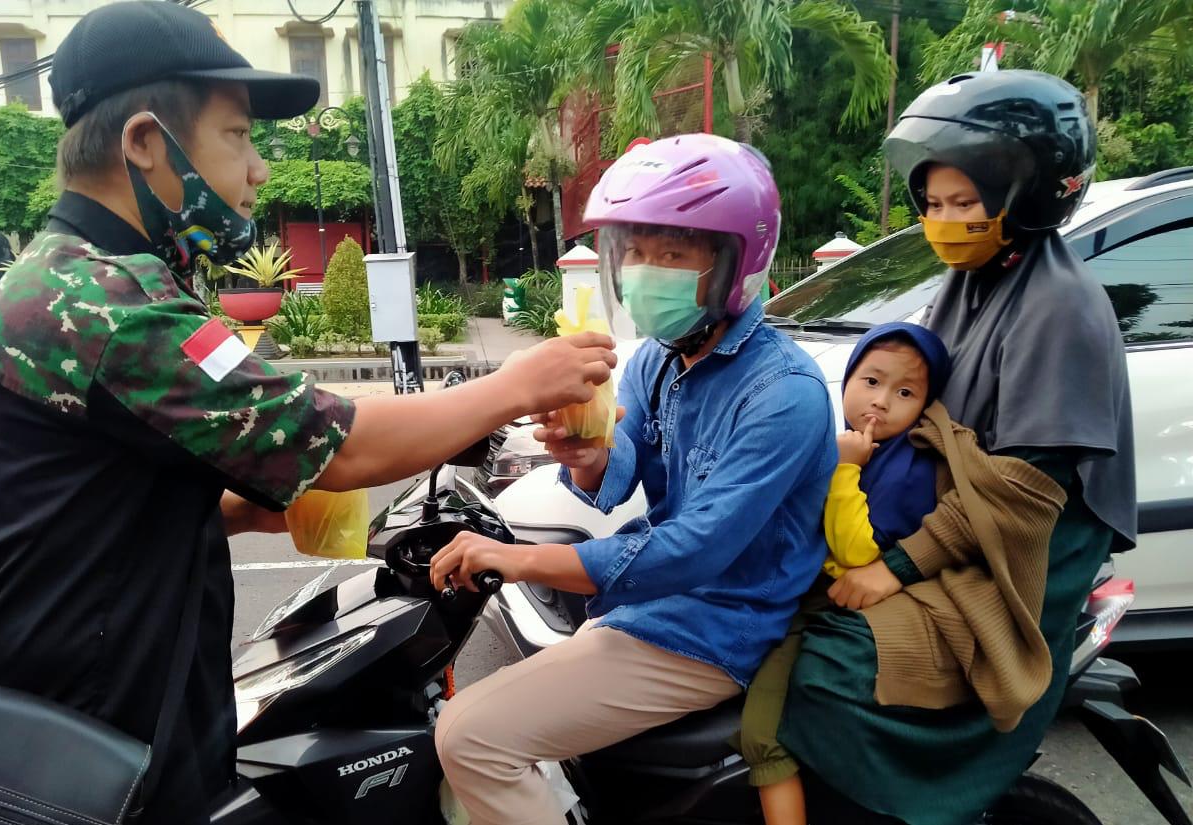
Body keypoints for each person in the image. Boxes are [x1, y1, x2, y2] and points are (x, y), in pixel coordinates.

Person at [0, 4, 614, 823]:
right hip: (82, 760)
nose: (258, 170)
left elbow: (89, 512)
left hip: (83, 725)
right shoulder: (106, 302)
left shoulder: (77, 275)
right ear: (145, 141)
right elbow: (337, 445)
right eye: (238, 136)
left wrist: (242, 511)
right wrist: (521, 382)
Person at [429, 133, 837, 825]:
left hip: (716, 631)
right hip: (649, 613)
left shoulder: (784, 392)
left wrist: (519, 558)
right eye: (637, 252)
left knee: (469, 737)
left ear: (737, 260)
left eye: (674, 254)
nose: (649, 271)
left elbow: (694, 549)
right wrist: (586, 454)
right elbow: (626, 473)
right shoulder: (656, 359)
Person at [775, 70, 1135, 825]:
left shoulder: (1059, 307)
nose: (945, 220)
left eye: (965, 202)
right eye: (934, 203)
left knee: (828, 673)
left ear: (1028, 198)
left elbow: (1019, 497)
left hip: (1013, 566)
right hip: (948, 534)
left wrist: (894, 568)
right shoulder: (966, 284)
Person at [738, 322, 951, 825]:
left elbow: (857, 553)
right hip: (795, 590)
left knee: (760, 736)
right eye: (871, 381)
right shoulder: (831, 435)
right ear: (848, 377)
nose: (880, 402)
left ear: (925, 405)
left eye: (904, 392)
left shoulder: (908, 468)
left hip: (835, 606)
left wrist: (845, 469)